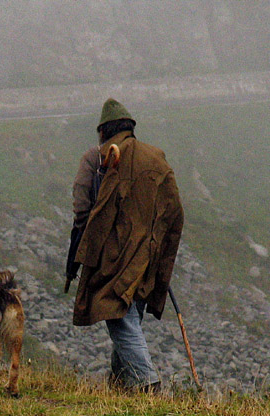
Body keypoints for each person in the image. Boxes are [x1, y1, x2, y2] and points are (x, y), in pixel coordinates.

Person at [69, 98, 184, 392]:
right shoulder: (156, 158)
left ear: (103, 131)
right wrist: (158, 246)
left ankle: (147, 383)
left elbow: (83, 212)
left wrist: (82, 255)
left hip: (115, 256)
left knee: (118, 316)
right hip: (150, 256)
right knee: (129, 315)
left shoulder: (99, 159)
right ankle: (120, 388)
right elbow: (174, 212)